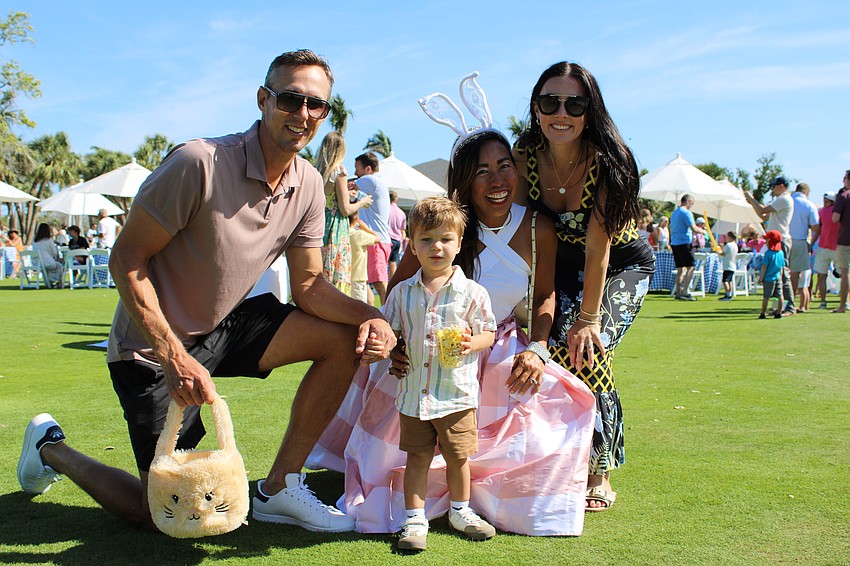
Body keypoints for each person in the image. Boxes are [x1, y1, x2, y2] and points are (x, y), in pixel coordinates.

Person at [16, 49, 396, 534]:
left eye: (315, 105)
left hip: (225, 326)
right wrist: (173, 356)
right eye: (289, 99)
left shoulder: (307, 183)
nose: (302, 114)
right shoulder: (198, 162)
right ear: (263, 99)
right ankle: (51, 447)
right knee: (168, 516)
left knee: (342, 338)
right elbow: (126, 260)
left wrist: (373, 316)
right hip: (149, 351)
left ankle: (279, 487)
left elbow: (308, 287)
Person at [308, 121, 595, 534]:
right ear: (464, 179)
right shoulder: (441, 227)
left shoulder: (537, 227)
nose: (497, 180)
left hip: (495, 342)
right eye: (482, 171)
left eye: (505, 166)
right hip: (426, 353)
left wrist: (538, 348)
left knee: (562, 400)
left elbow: (544, 295)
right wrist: (399, 342)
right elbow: (398, 290)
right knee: (411, 441)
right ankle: (417, 503)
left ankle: (473, 500)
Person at [513, 61, 656, 511]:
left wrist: (588, 321)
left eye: (574, 103)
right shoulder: (522, 155)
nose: (562, 112)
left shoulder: (610, 160)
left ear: (589, 111)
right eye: (550, 101)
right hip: (561, 268)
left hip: (622, 267)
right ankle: (554, 455)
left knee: (588, 351)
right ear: (536, 108)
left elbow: (600, 252)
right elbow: (523, 234)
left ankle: (600, 468)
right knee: (549, 348)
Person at [384, 197, 497, 551]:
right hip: (414, 393)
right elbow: (390, 333)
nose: (437, 247)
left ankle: (460, 510)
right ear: (412, 245)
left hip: (456, 393)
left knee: (458, 456)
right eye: (427, 239)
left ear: (459, 244)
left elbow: (489, 332)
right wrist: (394, 351)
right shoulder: (402, 293)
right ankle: (414, 519)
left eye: (446, 239)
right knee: (416, 458)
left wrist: (471, 342)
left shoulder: (472, 293)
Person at [315, 131, 373, 295]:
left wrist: (347, 195)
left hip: (320, 226)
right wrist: (362, 202)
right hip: (336, 229)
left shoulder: (317, 171)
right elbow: (345, 209)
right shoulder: (339, 172)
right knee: (336, 278)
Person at [746, 177, 795, 315]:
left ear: (781, 186)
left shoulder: (784, 199)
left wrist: (751, 199)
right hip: (776, 240)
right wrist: (752, 203)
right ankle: (779, 306)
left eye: (773, 186)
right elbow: (765, 217)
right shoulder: (780, 200)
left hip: (781, 240)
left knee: (783, 274)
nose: (772, 189)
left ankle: (790, 307)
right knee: (776, 274)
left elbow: (762, 211)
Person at [353, 152, 392, 304]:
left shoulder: (371, 180)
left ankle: (388, 316)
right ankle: (371, 312)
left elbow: (346, 185)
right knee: (367, 282)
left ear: (368, 169)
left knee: (379, 282)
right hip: (374, 240)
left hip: (376, 242)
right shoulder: (374, 183)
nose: (356, 173)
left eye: (357, 168)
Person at [788, 183, 819, 312]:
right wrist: (811, 245)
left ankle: (782, 301)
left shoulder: (787, 201)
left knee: (782, 273)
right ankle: (790, 302)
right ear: (807, 193)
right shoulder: (809, 205)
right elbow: (816, 228)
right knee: (796, 274)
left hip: (785, 239)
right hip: (800, 240)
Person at [670, 194, 706, 300]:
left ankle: (678, 293)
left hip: (675, 242)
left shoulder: (675, 213)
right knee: (690, 266)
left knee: (680, 269)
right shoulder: (686, 212)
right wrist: (704, 231)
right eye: (692, 203)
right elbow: (694, 228)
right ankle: (685, 291)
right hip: (684, 242)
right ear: (689, 201)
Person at [348, 209, 381, 304]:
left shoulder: (341, 234)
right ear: (356, 219)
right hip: (358, 277)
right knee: (359, 310)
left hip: (344, 276)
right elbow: (378, 238)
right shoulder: (359, 234)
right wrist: (366, 229)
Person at [814, 191, 839, 309]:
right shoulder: (839, 212)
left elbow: (817, 228)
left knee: (821, 276)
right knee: (844, 275)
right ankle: (845, 301)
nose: (824, 202)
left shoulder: (821, 212)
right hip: (836, 247)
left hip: (825, 247)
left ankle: (823, 302)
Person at [832, 170, 850, 313]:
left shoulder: (843, 196)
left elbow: (835, 218)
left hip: (845, 239)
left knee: (845, 272)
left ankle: (843, 305)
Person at [758, 230, 786, 319]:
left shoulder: (768, 253)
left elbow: (764, 267)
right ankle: (779, 312)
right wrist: (781, 277)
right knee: (780, 295)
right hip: (778, 277)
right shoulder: (781, 253)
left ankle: (763, 313)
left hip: (768, 278)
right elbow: (782, 266)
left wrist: (761, 278)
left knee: (766, 296)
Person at [31, 222, 63, 287]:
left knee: (49, 268)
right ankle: (59, 282)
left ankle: (49, 282)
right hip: (46, 262)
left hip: (36, 262)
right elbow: (54, 252)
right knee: (59, 266)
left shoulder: (34, 240)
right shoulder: (48, 240)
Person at [387, 190, 407, 280]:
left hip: (387, 239)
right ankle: (392, 282)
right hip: (397, 240)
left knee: (383, 263)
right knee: (393, 263)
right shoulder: (401, 213)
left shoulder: (386, 210)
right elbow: (403, 230)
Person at [717, 231, 739, 301]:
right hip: (732, 265)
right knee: (729, 281)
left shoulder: (728, 245)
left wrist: (718, 251)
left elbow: (723, 253)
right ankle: (729, 294)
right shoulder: (735, 245)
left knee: (725, 280)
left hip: (728, 265)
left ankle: (728, 295)